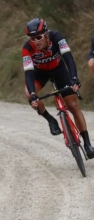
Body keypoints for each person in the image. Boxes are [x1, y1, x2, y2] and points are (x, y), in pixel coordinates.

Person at [22, 18, 94, 158]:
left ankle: (87, 143)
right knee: (29, 94)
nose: (35, 41)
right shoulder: (27, 48)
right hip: (39, 73)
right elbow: (29, 74)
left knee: (72, 105)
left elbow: (68, 58)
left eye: (38, 37)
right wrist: (33, 94)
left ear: (46, 34)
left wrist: (74, 78)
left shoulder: (57, 37)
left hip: (59, 69)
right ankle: (50, 120)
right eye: (32, 38)